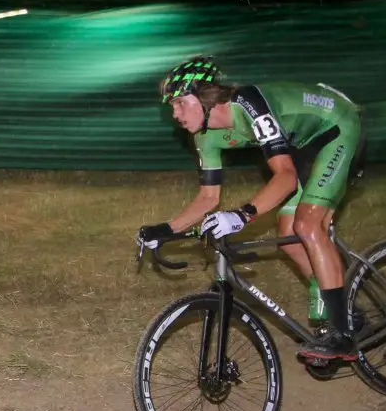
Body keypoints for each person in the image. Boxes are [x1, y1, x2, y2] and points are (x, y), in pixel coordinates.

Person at [136, 54, 365, 361]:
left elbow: (284, 176)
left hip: (337, 126)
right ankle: (345, 305)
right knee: (289, 237)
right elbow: (208, 198)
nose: (175, 114)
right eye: (171, 107)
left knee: (308, 225)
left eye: (179, 103)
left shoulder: (248, 103)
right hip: (302, 142)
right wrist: (166, 229)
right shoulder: (204, 136)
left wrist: (243, 214)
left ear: (204, 97)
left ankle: (343, 335)